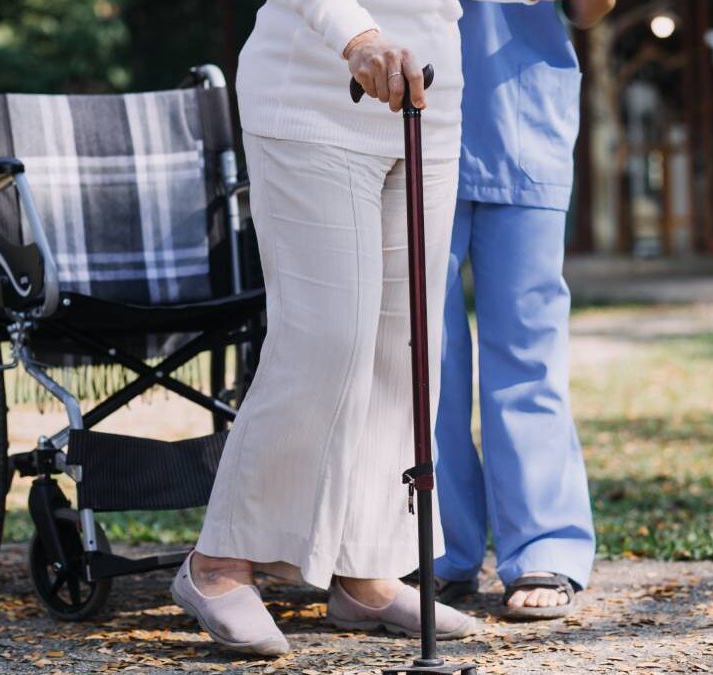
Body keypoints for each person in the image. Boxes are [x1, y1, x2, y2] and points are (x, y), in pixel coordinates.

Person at [170, 0, 478, 656]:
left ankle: (364, 566)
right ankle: (218, 561)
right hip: (313, 95)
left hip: (429, 99)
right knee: (325, 340)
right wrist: (357, 35)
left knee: (406, 349)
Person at [433, 0, 615, 619]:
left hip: (522, 115)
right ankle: (432, 547)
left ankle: (545, 544)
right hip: (408, 121)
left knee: (528, 348)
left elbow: (589, 11)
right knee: (420, 355)